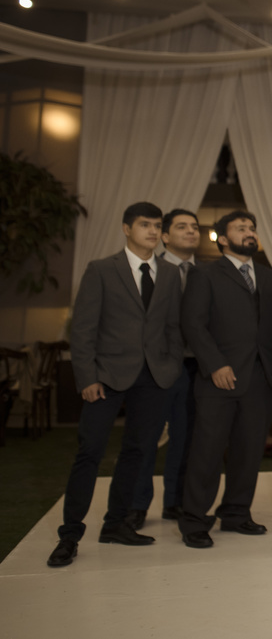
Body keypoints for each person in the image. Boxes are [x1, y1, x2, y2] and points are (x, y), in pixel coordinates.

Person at [48, 202, 183, 568]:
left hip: (154, 378)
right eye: (144, 225)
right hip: (106, 378)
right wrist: (87, 378)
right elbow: (83, 329)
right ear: (127, 229)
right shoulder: (102, 270)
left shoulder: (170, 275)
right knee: (89, 452)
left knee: (138, 453)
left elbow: (172, 326)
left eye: (157, 226)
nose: (153, 232)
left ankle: (115, 525)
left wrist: (168, 369)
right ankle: (69, 536)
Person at [177, 210, 272, 548]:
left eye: (252, 228)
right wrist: (216, 365)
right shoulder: (205, 275)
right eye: (241, 228)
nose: (249, 232)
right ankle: (195, 521)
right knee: (207, 453)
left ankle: (236, 514)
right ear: (222, 238)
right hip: (219, 379)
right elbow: (193, 324)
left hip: (259, 379)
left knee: (249, 451)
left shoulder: (271, 278)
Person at [129, 208, 200, 529]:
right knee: (146, 437)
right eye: (182, 227)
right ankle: (136, 505)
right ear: (166, 237)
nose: (191, 231)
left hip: (195, 367)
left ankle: (176, 501)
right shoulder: (149, 271)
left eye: (195, 227)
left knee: (186, 438)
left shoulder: (206, 273)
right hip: (153, 368)